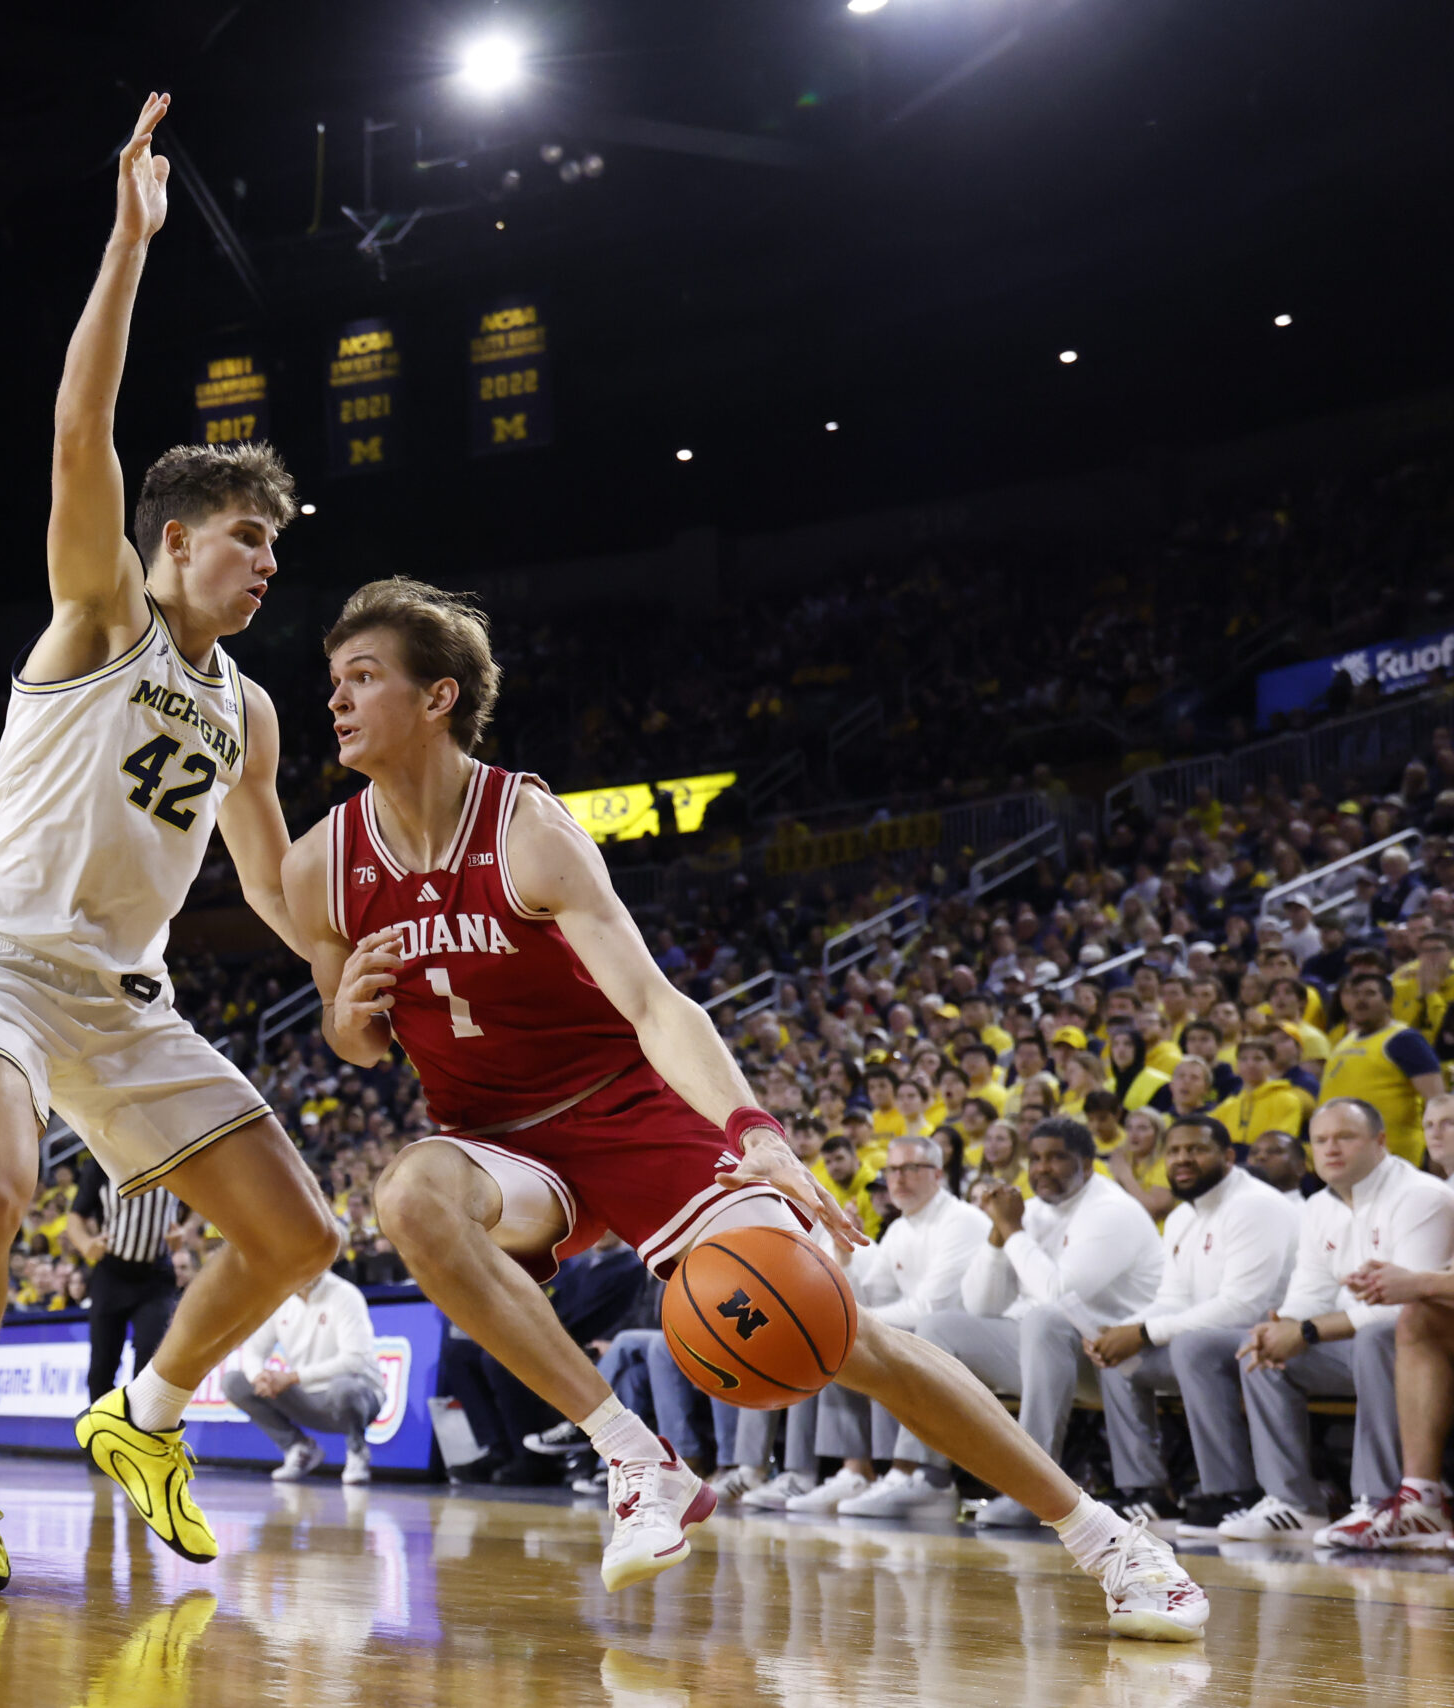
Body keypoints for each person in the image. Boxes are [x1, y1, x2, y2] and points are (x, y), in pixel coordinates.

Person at [277, 576, 1207, 1640]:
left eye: (362, 678)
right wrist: (347, 1016)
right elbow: (353, 1036)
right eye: (332, 681)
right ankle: (637, 1458)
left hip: (629, 1111)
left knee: (841, 1337)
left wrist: (754, 1133)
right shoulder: (323, 867)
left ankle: (1106, 1537)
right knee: (409, 1196)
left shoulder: (527, 829)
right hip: (497, 1146)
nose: (337, 702)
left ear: (438, 697)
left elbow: (651, 1001)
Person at [0, 92, 336, 1594]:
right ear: (172, 545)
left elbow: (268, 877)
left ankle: (143, 1418)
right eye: (246, 540)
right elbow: (81, 423)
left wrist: (337, 971)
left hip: (122, 995)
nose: (269, 563)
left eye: (277, 545)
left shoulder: (254, 713)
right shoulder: (105, 616)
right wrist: (130, 242)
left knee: (299, 1238)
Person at [1199, 1098, 1454, 1542]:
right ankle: (1293, 1503)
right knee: (1256, 1349)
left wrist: (1307, 1330)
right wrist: (1284, 1327)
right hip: (1363, 1343)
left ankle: (1376, 1501)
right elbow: (1309, 1292)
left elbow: (1410, 1304)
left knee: (1379, 1335)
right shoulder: (1318, 1206)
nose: (1331, 1149)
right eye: (1321, 1140)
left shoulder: (1422, 1196)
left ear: (1380, 1142)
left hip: (1412, 1347)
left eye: (1345, 1138)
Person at [922, 1118, 1164, 1524]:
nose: (1042, 1168)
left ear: (1087, 1165)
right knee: (937, 1328)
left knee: (1045, 1318)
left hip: (1115, 1361)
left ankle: (1033, 1488)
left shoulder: (1112, 1210)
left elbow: (1059, 1296)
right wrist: (998, 1241)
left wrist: (1012, 1229)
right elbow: (982, 1305)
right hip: (1050, 1357)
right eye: (1034, 1158)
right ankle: (924, 1479)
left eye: (1056, 1158)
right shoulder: (1028, 1211)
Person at [1079, 1114, 1302, 1535]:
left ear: (1228, 1157)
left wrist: (1143, 1333)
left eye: (1196, 1149)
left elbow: (1242, 1306)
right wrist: (1120, 1331)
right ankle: (1146, 1492)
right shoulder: (1183, 1217)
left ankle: (1233, 1492)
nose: (1183, 1159)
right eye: (1176, 1151)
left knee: (1190, 1347)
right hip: (1209, 1339)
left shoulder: (1255, 1204)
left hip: (1264, 1336)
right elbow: (1172, 1299)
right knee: (1117, 1358)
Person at [776, 1134, 992, 1517]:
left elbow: (931, 1307)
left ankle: (909, 1473)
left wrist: (855, 1321)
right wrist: (844, 1258)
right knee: (839, 1341)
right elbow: (869, 1300)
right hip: (925, 1335)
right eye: (892, 1169)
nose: (899, 1178)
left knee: (874, 1335)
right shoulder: (899, 1229)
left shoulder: (963, 1221)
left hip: (970, 1339)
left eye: (911, 1168)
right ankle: (855, 1471)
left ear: (938, 1174)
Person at [1332, 1092, 1454, 1547]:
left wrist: (1418, 1282)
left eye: (1450, 1123)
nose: (1437, 1133)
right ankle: (1418, 1500)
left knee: (1400, 1321)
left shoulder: (1423, 1193)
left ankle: (1378, 1493)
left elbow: (1427, 1285)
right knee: (1415, 1320)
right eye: (1431, 1124)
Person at [221, 1268, 387, 1484]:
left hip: (358, 1394)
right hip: (305, 1397)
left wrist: (292, 1377)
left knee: (343, 1388)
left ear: (324, 1263)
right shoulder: (279, 1298)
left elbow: (354, 1360)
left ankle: (357, 1452)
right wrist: (258, 1376)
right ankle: (298, 1448)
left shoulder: (346, 1295)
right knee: (234, 1383)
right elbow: (253, 1350)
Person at [66, 1149, 184, 1402]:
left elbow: (202, 1202)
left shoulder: (175, 1156)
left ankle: (139, 1432)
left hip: (156, 1275)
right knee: (102, 1364)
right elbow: (76, 1216)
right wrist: (86, 1244)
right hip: (111, 1274)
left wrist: (184, 1229)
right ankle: (99, 1436)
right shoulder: (101, 1162)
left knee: (150, 1356)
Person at [1321, 968, 1446, 1164]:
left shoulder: (1404, 1039)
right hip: (1347, 1157)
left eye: (1370, 993)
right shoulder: (1346, 1040)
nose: (1360, 1000)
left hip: (1394, 1157)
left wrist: (1440, 1151)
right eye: (1355, 994)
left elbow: (1437, 1100)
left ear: (1388, 1002)